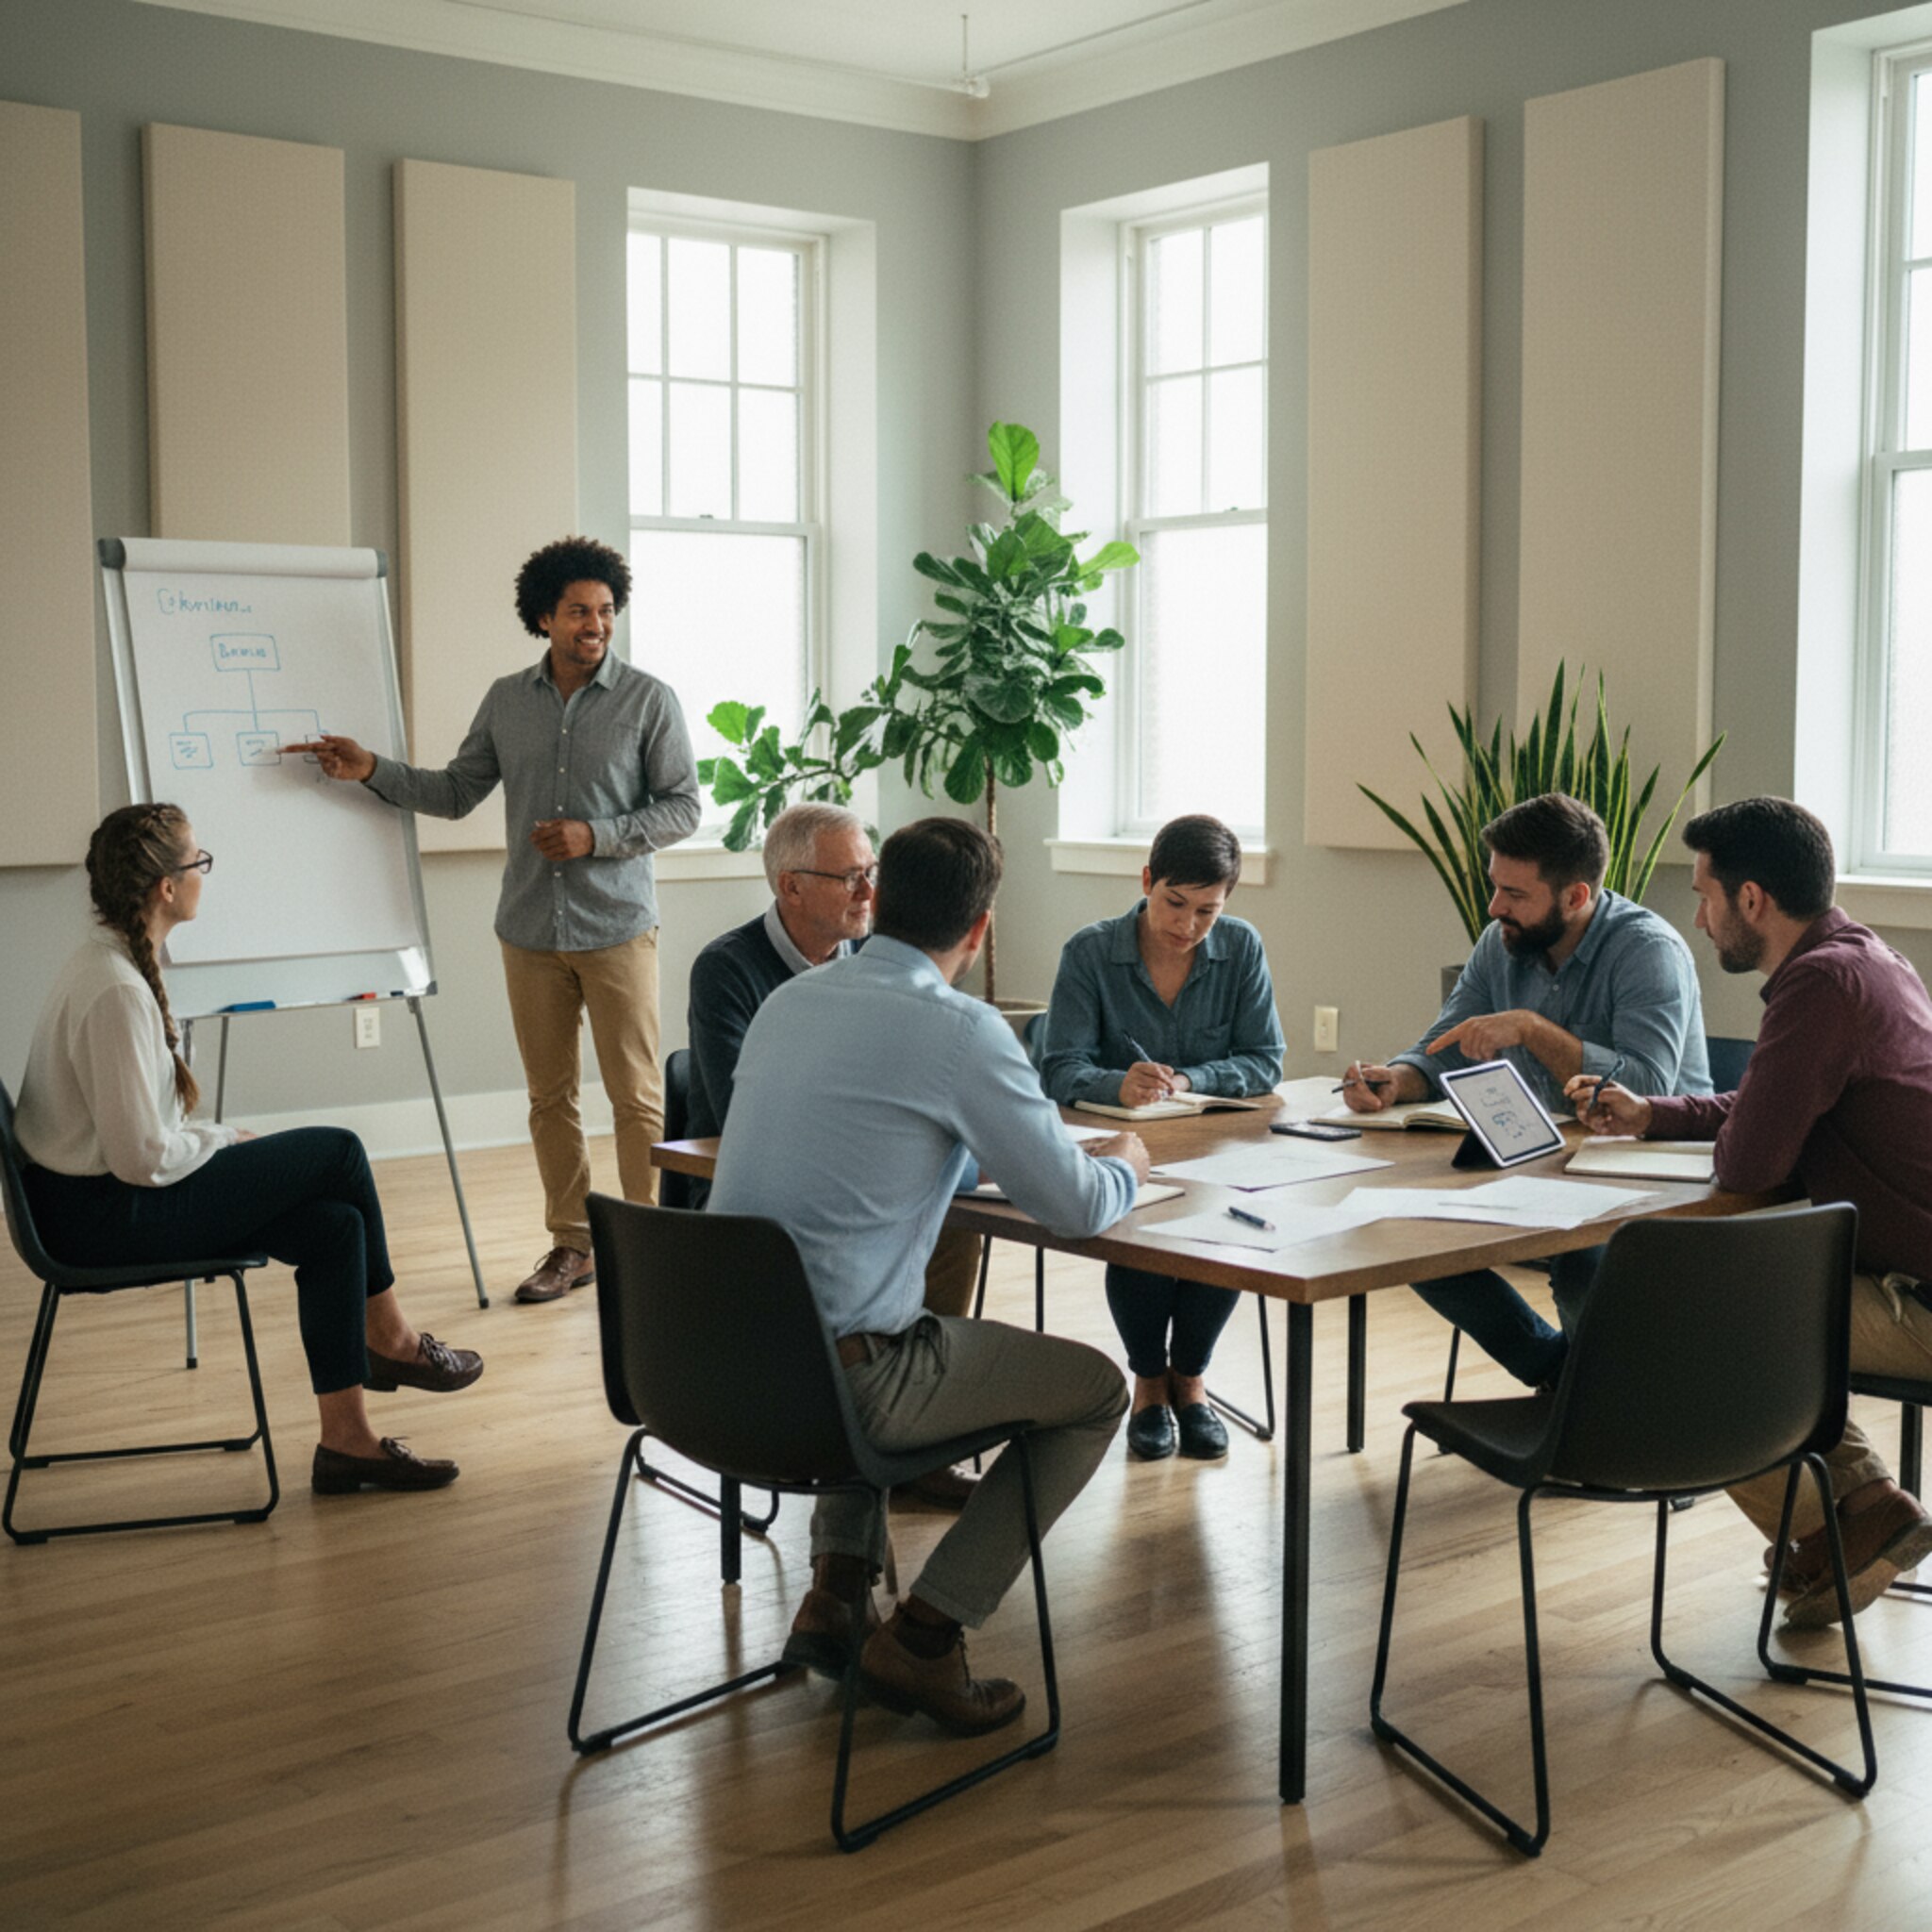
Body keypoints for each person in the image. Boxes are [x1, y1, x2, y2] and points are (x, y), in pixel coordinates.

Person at [709, 817, 1145, 1731]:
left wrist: (962, 1149)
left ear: (872, 898)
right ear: (979, 927)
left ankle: (835, 1591)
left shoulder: (790, 1000)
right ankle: (920, 1637)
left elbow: (872, 1141)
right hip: (841, 1387)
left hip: (717, 1372)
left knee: (859, 1300)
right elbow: (1076, 1206)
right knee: (1096, 1390)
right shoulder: (960, 1029)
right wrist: (1128, 1163)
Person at [15, 805, 483, 1494]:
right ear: (167, 889)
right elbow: (141, 1157)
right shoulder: (114, 989)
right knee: (342, 1153)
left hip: (102, 1195)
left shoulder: (116, 963)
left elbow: (144, 1140)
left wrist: (222, 1142)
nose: (206, 873)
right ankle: (392, 1340)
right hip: (99, 1216)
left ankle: (347, 1442)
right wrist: (225, 1140)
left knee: (335, 1228)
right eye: (198, 861)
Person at [286, 535, 700, 1306]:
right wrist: (370, 768)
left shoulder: (649, 700)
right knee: (550, 1098)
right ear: (543, 617)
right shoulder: (508, 700)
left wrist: (595, 836)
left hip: (617, 930)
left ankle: (651, 1249)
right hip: (530, 932)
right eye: (579, 611)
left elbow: (684, 807)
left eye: (606, 610)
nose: (596, 624)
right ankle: (571, 1246)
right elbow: (453, 791)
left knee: (635, 1096)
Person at [1569, 796, 1932, 1626]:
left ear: (1754, 900)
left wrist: (1720, 1128)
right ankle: (1867, 1506)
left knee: (1674, 1316)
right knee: (1731, 1303)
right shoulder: (1866, 958)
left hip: (1920, 1302)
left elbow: (1752, 1160)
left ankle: (1825, 1530)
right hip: (1904, 1275)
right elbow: (1769, 1101)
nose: (1697, 918)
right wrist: (1654, 1112)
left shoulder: (1818, 984)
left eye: (1703, 896)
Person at [1341, 792, 1709, 1387]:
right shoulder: (1503, 942)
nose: (1494, 907)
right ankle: (1566, 1384)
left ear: (1576, 896)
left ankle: (1608, 1416)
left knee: (1586, 1267)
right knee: (1409, 1240)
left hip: (1651, 1172)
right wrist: (1396, 1081)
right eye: (1495, 886)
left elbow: (1646, 1089)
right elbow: (1446, 1044)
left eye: (1515, 895)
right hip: (1545, 1163)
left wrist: (1533, 1030)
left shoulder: (1648, 951)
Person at [686, 800, 986, 1510]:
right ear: (790, 886)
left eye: (871, 873)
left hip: (851, 1184)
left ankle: (909, 1419)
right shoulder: (728, 969)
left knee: (955, 1220)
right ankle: (869, 1414)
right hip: (747, 1202)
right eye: (849, 877)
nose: (869, 893)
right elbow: (743, 1113)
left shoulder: (877, 963)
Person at [1037, 814, 1285, 1461]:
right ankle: (1150, 1382)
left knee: (1224, 1231)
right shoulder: (1090, 952)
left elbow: (1266, 1059)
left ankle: (1191, 1380)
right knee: (1140, 1237)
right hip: (1122, 1148)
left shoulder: (1241, 947)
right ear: (1146, 881)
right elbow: (1058, 1066)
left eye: (1207, 910)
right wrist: (1116, 1084)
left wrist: (1191, 1076)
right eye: (1175, 903)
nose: (1188, 925)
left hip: (1215, 1150)